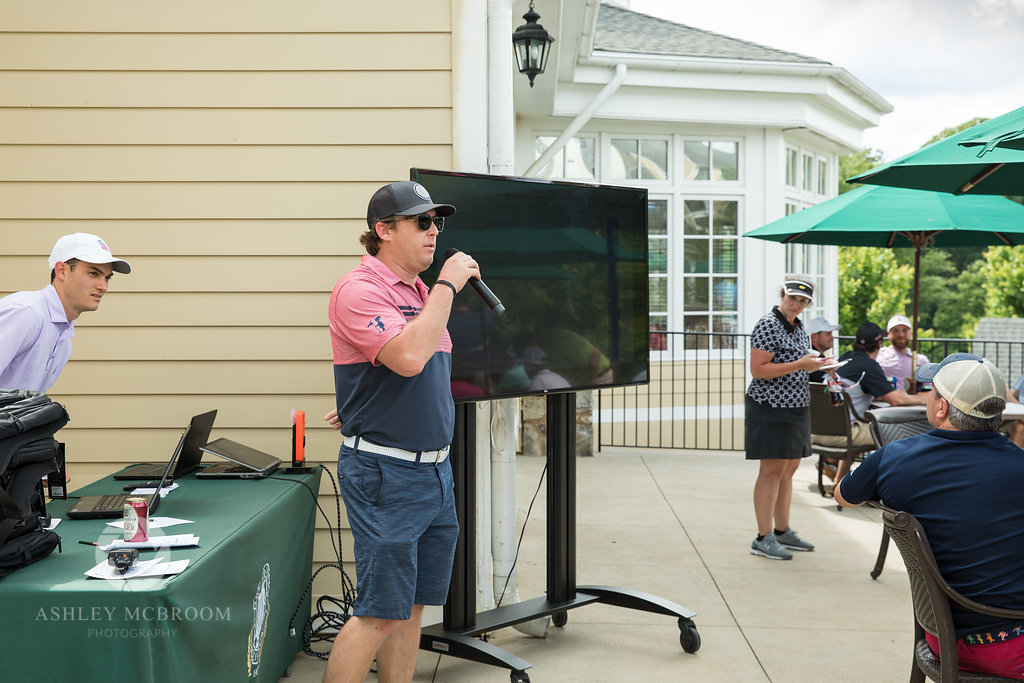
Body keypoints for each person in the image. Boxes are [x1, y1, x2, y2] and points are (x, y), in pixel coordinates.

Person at [322, 180, 480, 683]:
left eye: (438, 222)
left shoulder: (416, 291)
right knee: (381, 611)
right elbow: (410, 357)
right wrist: (448, 285)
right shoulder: (360, 289)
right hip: (387, 473)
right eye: (422, 221)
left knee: (411, 607)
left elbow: (405, 372)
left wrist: (363, 402)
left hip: (433, 473)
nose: (435, 232)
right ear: (384, 230)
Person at [836, 353, 1024, 679]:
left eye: (932, 391)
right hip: (1009, 643)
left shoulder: (892, 459)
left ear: (942, 407)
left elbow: (844, 496)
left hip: (943, 637)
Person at [745, 279, 826, 560]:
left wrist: (819, 364)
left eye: (802, 301)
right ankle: (762, 537)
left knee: (788, 471)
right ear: (782, 295)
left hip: (796, 406)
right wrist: (801, 364)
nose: (796, 304)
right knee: (771, 471)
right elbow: (758, 370)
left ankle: (781, 531)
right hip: (771, 407)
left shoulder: (797, 325)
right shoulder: (768, 324)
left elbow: (798, 361)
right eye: (792, 298)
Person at [0, 232, 131, 392]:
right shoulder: (27, 313)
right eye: (94, 274)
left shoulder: (63, 338)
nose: (103, 286)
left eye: (107, 278)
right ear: (61, 270)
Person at [812, 322, 928, 484]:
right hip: (841, 435)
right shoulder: (868, 366)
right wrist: (928, 397)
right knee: (895, 431)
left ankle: (837, 471)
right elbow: (896, 400)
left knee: (864, 424)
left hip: (817, 432)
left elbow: (862, 392)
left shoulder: (845, 359)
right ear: (879, 343)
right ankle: (883, 484)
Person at [876, 314, 929, 392]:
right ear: (888, 334)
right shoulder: (878, 355)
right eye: (896, 331)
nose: (901, 335)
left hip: (914, 402)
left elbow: (928, 390)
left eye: (904, 330)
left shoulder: (921, 360)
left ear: (910, 334)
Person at [806, 317, 839, 383]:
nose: (832, 338)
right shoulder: (810, 358)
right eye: (828, 334)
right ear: (814, 337)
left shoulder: (815, 356)